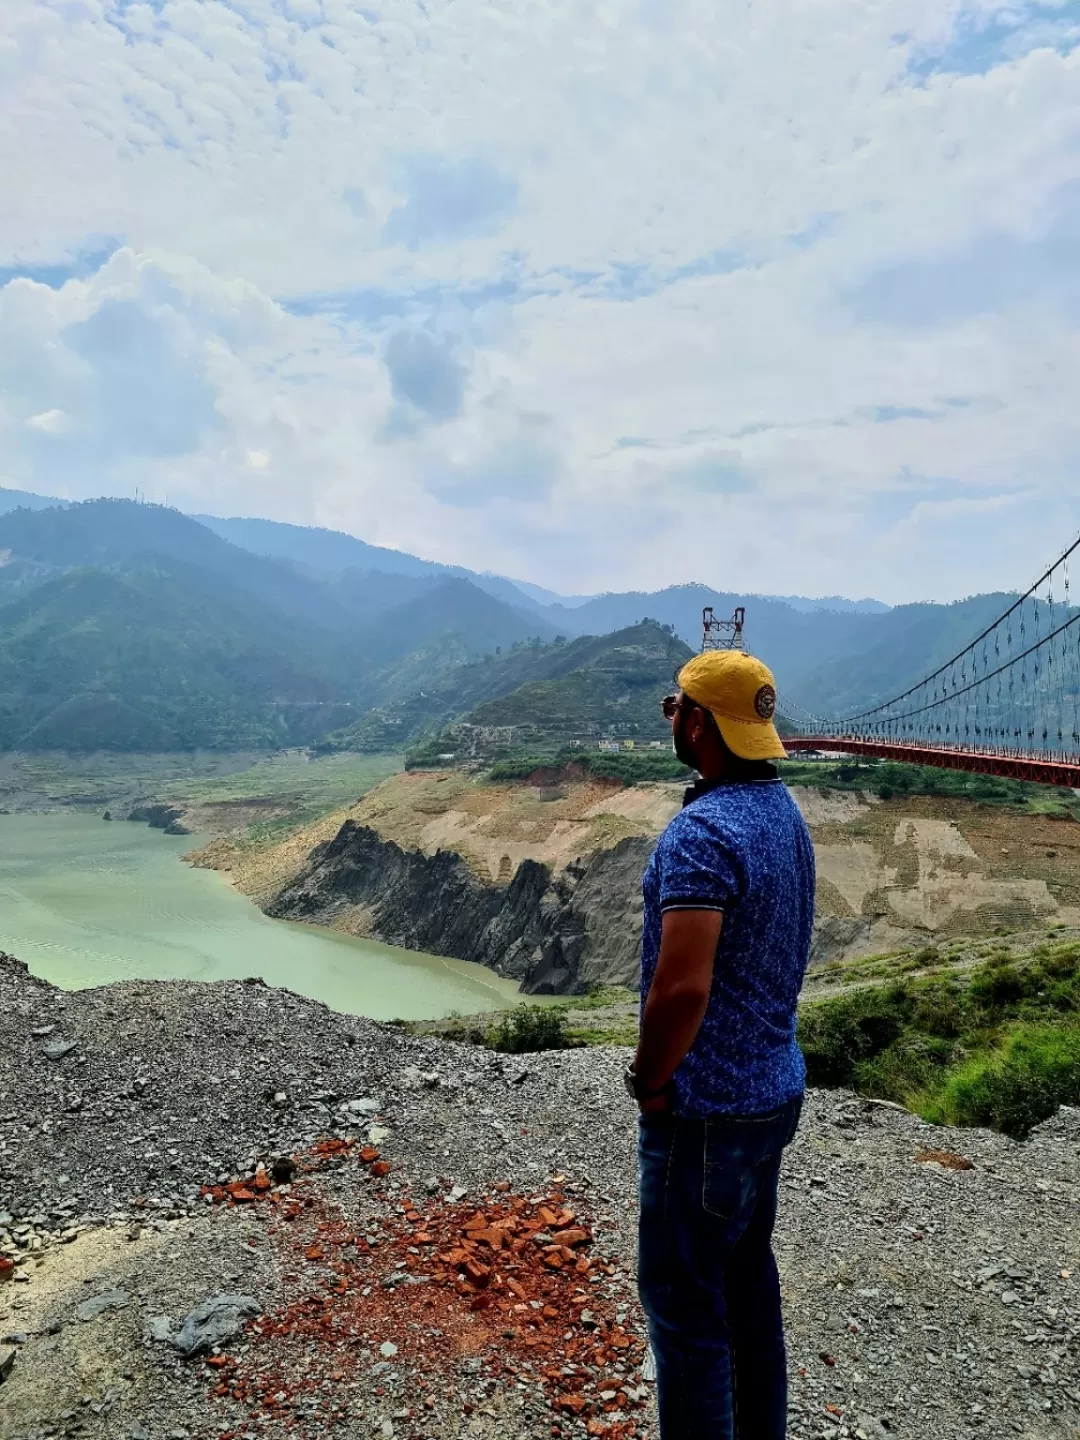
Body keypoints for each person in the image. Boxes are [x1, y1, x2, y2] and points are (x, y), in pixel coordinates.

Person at [626, 647, 815, 1439]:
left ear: (700, 725)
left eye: (678, 708)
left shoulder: (701, 834)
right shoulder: (784, 817)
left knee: (685, 1313)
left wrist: (651, 1080)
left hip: (704, 1113)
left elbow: (681, 988)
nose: (672, 718)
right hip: (772, 1097)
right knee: (745, 1291)